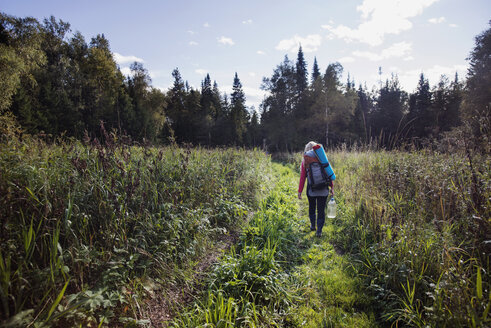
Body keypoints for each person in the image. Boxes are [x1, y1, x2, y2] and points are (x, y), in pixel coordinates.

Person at [298, 141, 333, 237]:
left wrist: (300, 191)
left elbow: (302, 177)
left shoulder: (305, 160)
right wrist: (332, 187)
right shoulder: (323, 158)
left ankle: (313, 225)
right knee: (321, 210)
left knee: (312, 207)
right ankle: (319, 231)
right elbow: (329, 174)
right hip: (324, 189)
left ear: (306, 149)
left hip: (311, 189)